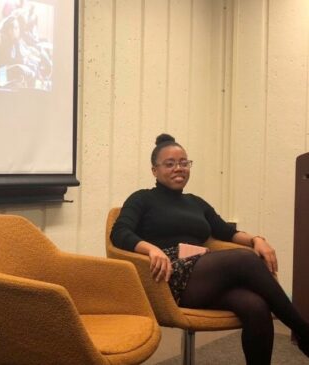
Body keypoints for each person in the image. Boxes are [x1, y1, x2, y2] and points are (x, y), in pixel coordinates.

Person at [110, 133, 309, 365]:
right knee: (245, 259)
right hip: (165, 276)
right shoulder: (142, 199)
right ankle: (303, 332)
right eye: (170, 164)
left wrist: (257, 240)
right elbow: (120, 232)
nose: (179, 168)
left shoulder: (196, 202)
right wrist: (151, 249)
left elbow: (226, 231)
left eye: (184, 163)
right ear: (154, 170)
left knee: (256, 306)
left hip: (203, 273)